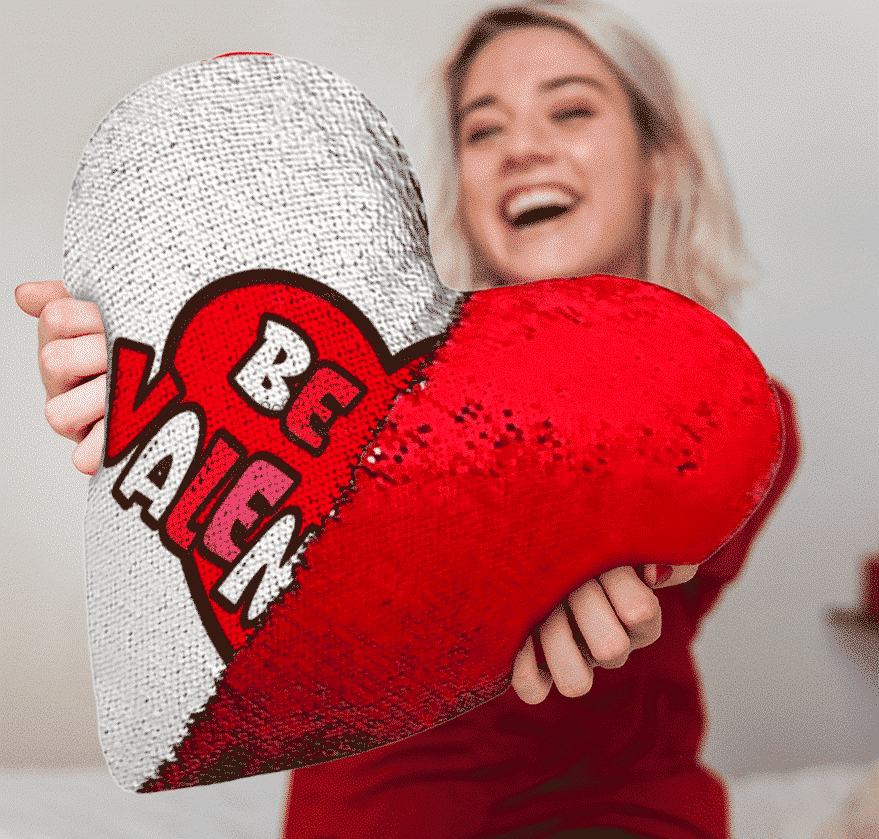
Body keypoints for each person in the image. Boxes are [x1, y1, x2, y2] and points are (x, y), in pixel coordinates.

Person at [15, 2, 799, 837]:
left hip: (623, 808)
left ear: (659, 159)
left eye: (569, 110)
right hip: (381, 812)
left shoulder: (737, 411)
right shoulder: (350, 379)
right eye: (482, 130)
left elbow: (653, 561)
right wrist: (148, 386)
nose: (521, 148)